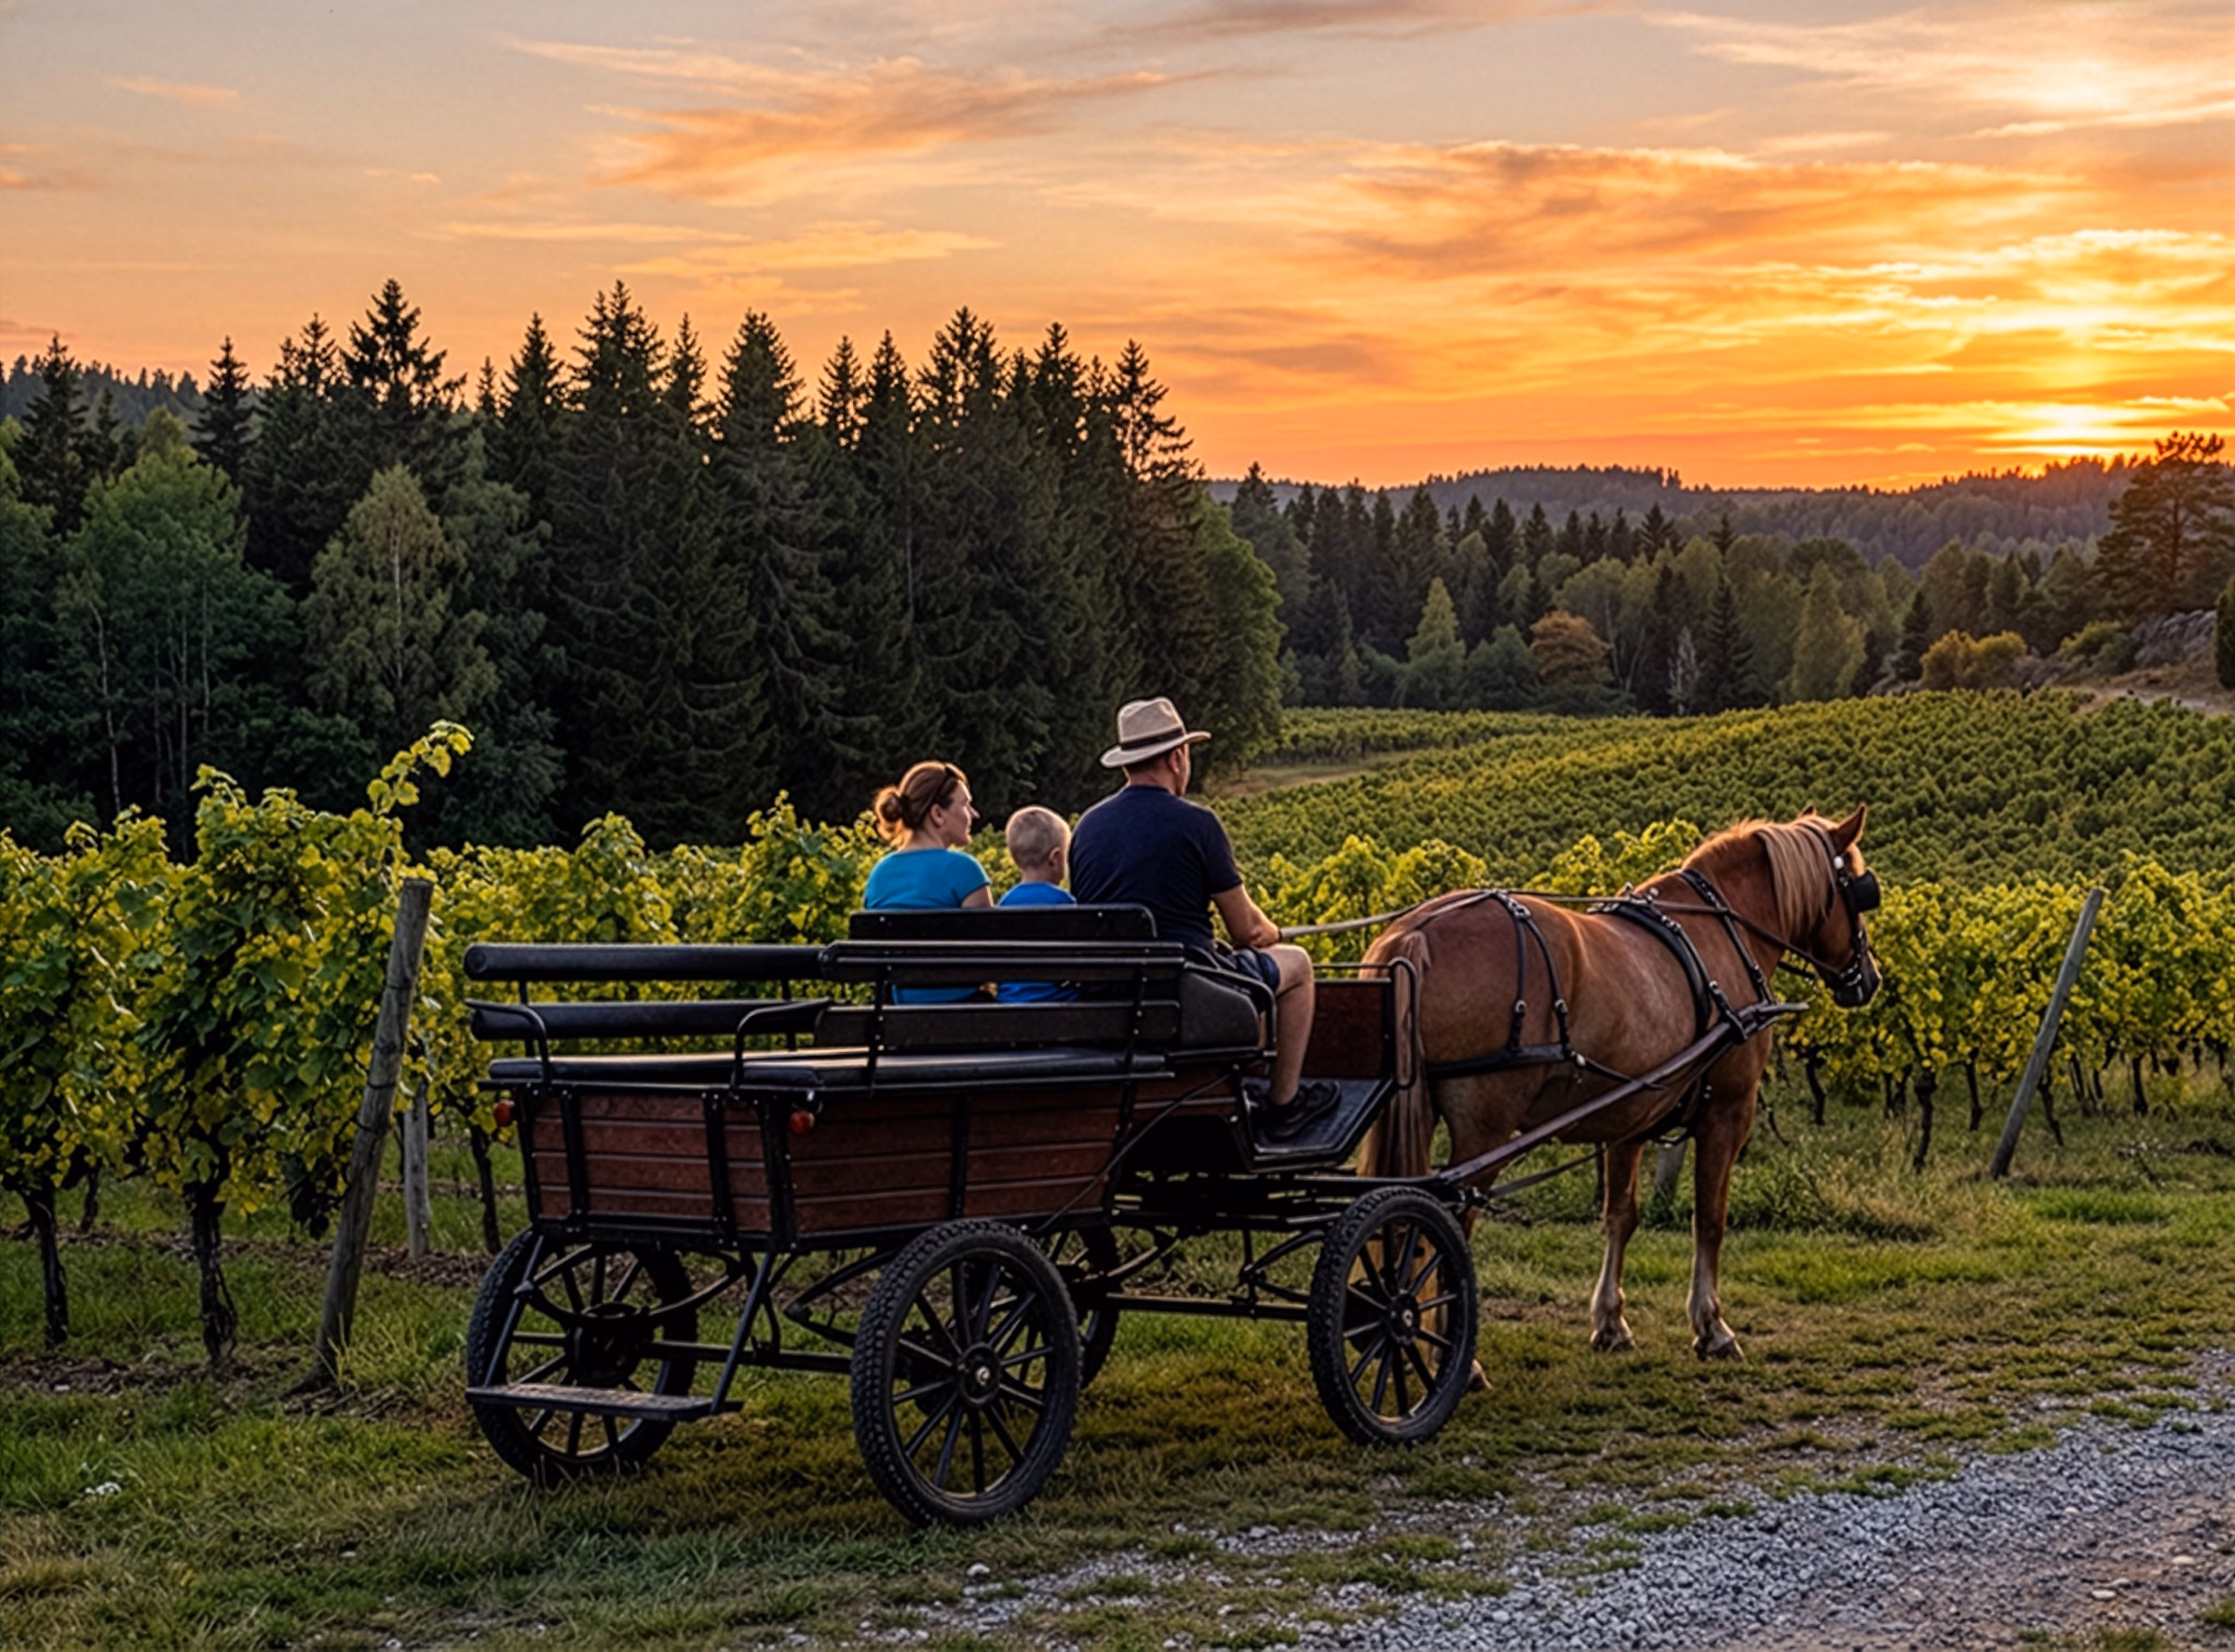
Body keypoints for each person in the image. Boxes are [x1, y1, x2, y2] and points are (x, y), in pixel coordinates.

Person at [1068, 697, 1336, 1139]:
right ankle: (1284, 1104)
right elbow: (1246, 930)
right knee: (1299, 966)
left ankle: (1236, 1088)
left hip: (1110, 997)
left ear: (1127, 764)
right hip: (1185, 989)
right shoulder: (1197, 824)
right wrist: (1272, 931)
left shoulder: (1088, 827)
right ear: (1177, 758)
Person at [861, 761, 989, 1002]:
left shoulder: (880, 874)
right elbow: (988, 958)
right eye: (966, 805)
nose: (974, 814)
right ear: (937, 814)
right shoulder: (965, 871)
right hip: (963, 1017)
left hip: (897, 1020)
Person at [996, 806, 1075, 1003]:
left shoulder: (1005, 903)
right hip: (1055, 1003)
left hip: (1009, 1003)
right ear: (1055, 858)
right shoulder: (1063, 902)